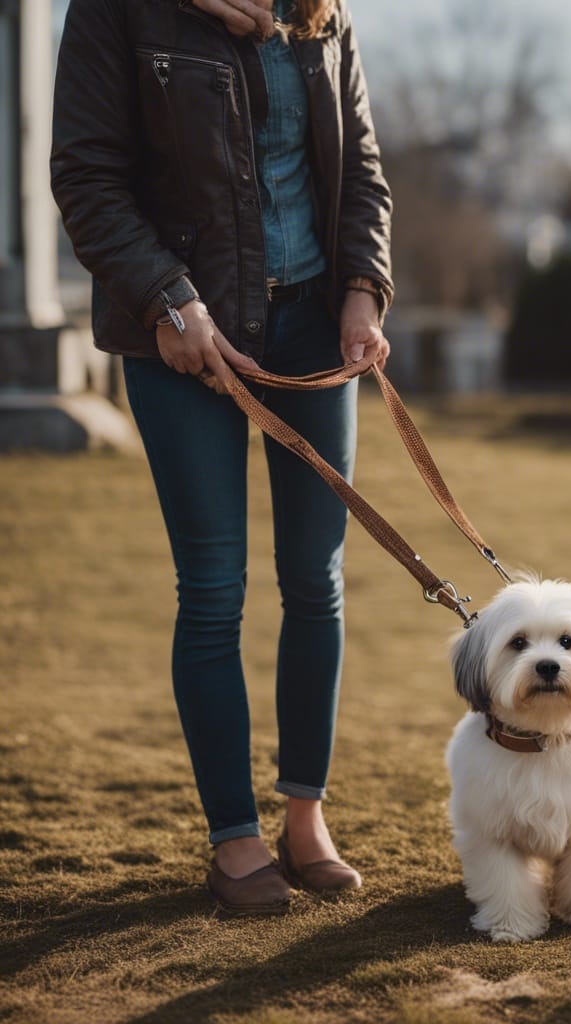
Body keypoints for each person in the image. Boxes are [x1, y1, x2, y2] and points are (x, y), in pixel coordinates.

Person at [51, 0, 394, 914]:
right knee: (212, 589)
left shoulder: (321, 12)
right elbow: (86, 178)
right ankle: (234, 838)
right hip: (179, 335)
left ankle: (305, 814)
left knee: (315, 582)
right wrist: (170, 301)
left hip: (315, 329)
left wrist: (363, 288)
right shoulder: (120, 11)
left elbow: (359, 170)